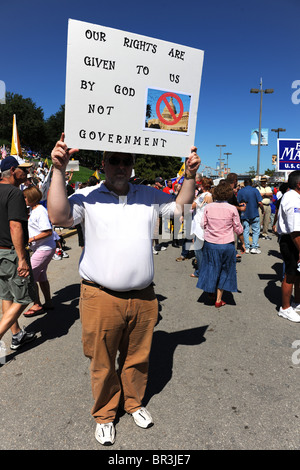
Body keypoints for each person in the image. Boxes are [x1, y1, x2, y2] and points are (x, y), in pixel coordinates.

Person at [47, 133, 200, 446]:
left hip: (144, 296)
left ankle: (133, 402)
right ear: (104, 165)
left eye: (125, 160)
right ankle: (104, 413)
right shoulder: (87, 196)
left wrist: (190, 176)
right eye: (113, 160)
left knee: (138, 357)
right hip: (99, 296)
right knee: (102, 361)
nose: (119, 165)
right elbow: (58, 217)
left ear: (132, 165)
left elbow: (180, 215)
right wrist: (59, 171)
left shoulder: (150, 194)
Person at [0, 156, 36, 350]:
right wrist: (22, 258)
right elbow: (15, 226)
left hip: (0, 253)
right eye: (24, 169)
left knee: (6, 296)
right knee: (24, 297)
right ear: (13, 170)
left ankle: (16, 335)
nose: (27, 172)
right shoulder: (14, 193)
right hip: (11, 253)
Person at [196, 181, 245, 308]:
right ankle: (219, 299)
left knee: (211, 268)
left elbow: (203, 224)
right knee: (225, 270)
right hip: (227, 244)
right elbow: (238, 228)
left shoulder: (208, 207)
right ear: (228, 194)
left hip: (211, 243)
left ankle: (211, 292)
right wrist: (243, 243)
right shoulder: (232, 208)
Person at [22, 186, 56, 316]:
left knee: (30, 277)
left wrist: (31, 239)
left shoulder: (40, 211)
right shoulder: (34, 209)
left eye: (25, 197)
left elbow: (47, 231)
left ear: (31, 197)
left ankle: (37, 304)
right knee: (41, 276)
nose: (23, 199)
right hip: (43, 248)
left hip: (44, 248)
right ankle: (48, 302)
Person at [276, 171, 300, 322]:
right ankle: (285, 308)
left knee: (298, 275)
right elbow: (295, 230)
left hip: (295, 240)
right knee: (290, 274)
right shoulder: (292, 199)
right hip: (293, 241)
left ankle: (297, 303)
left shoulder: (294, 197)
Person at [190, 177, 213, 277]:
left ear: (202, 186)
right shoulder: (211, 195)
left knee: (198, 250)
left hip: (200, 225)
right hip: (207, 224)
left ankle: (200, 271)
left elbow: (192, 206)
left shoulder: (204, 195)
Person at [237, 178, 264, 254]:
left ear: (244, 184)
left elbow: (238, 202)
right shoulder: (255, 190)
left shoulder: (240, 191)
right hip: (254, 213)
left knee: (245, 230)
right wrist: (262, 209)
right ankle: (254, 247)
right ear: (251, 184)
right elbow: (259, 202)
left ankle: (247, 247)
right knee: (256, 230)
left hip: (244, 213)